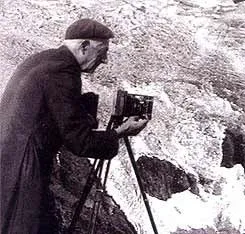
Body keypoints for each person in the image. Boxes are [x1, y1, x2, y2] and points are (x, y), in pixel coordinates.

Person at [0, 18, 148, 234]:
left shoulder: (43, 59)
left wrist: (81, 108)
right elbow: (80, 143)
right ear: (84, 46)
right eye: (102, 51)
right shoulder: (63, 73)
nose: (105, 60)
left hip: (8, 160)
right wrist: (120, 132)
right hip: (25, 169)